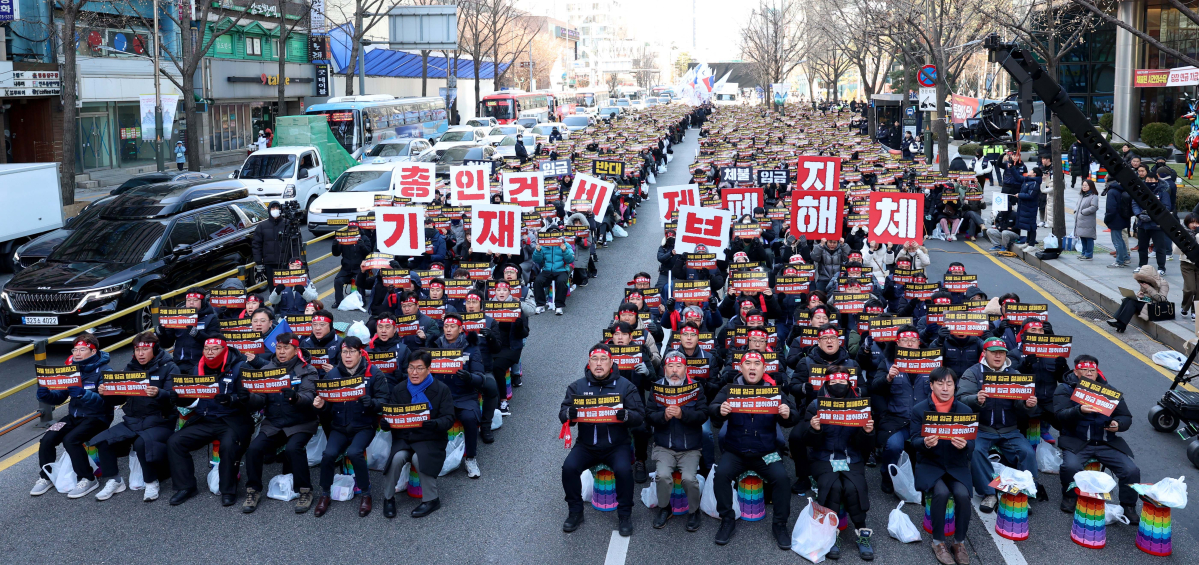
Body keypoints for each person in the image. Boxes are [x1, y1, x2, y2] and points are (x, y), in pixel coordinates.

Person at [708, 350, 800, 548]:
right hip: (736, 451)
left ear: (764, 368)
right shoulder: (730, 389)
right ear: (740, 368)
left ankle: (780, 525)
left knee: (782, 479)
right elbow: (712, 408)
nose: (752, 367)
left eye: (757, 364)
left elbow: (794, 416)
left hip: (766, 452)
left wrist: (787, 413)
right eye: (747, 363)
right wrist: (719, 410)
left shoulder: (773, 390)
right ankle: (727, 519)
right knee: (721, 475)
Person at [559, 344, 647, 537]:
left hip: (616, 445)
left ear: (611, 362)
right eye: (595, 359)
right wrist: (569, 414)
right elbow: (563, 414)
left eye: (603, 359)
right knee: (568, 468)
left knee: (624, 471)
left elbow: (640, 416)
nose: (599, 364)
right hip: (587, 445)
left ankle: (624, 514)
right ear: (589, 363)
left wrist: (626, 415)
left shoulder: (626, 386)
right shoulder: (577, 386)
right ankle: (575, 512)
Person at [794, 367, 876, 560]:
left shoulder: (861, 406)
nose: (838, 386)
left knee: (853, 487)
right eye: (833, 382)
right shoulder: (816, 405)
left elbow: (866, 446)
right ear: (826, 384)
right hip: (823, 458)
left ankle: (862, 532)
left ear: (849, 383)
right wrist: (814, 430)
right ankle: (830, 534)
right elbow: (806, 441)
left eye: (842, 382)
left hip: (851, 457)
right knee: (834, 486)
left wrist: (867, 432)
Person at [90, 332, 177, 502]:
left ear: (155, 349)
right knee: (103, 441)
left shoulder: (169, 367)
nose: (140, 354)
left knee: (141, 443)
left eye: (145, 349)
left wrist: (159, 393)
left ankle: (151, 482)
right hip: (134, 420)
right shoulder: (130, 368)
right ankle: (115, 480)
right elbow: (120, 399)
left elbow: (175, 397)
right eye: (137, 350)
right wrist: (106, 393)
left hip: (160, 421)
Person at [166, 335, 251, 507]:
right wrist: (179, 399)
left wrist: (232, 399)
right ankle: (186, 487)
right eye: (206, 349)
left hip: (231, 419)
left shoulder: (240, 366)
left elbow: (250, 398)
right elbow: (191, 398)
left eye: (215, 349)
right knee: (175, 442)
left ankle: (228, 490)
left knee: (228, 446)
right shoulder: (197, 368)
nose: (210, 352)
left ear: (224, 350)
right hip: (205, 418)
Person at [957, 338, 1040, 513]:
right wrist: (975, 399)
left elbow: (1021, 405)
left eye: (1001, 353)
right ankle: (988, 493)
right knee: (976, 450)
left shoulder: (1015, 374)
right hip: (982, 428)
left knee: (1027, 452)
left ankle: (1022, 491)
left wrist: (1028, 405)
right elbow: (960, 399)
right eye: (993, 352)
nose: (997, 356)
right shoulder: (973, 372)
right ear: (984, 353)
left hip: (1009, 429)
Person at [241, 332, 320, 514]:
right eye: (278, 348)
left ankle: (305, 491)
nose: (282, 352)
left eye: (286, 348)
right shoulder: (266, 369)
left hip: (301, 422)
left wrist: (296, 397)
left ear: (296, 350)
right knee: (253, 449)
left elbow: (309, 397)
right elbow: (260, 400)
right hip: (274, 422)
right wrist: (248, 398)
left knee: (293, 449)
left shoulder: (307, 369)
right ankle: (253, 490)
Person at [1055, 355, 1142, 521]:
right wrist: (1079, 411)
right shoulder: (1065, 389)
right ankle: (1069, 496)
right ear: (1076, 372)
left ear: (1097, 372)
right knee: (1070, 466)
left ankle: (1128, 506)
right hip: (1077, 442)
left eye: (1092, 370)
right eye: (1084, 370)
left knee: (1131, 470)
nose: (1089, 373)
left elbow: (1126, 416)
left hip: (1106, 442)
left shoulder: (1109, 391)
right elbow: (1059, 416)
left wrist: (1118, 424)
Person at [313, 336, 391, 517]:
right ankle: (325, 493)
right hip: (339, 426)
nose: (347, 356)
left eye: (352, 352)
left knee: (355, 452)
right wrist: (321, 406)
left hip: (364, 425)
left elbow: (384, 401)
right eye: (344, 352)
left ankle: (366, 493)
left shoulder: (374, 373)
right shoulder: (332, 375)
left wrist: (372, 403)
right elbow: (327, 408)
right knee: (328, 455)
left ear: (360, 353)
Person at [31, 333, 113, 498]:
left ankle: (88, 478)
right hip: (74, 416)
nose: (77, 353)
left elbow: (106, 402)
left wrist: (84, 394)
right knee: (48, 438)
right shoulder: (72, 370)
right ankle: (46, 476)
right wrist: (46, 395)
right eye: (75, 350)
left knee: (71, 440)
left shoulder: (105, 371)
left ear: (93, 351)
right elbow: (60, 396)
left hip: (97, 417)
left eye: (82, 349)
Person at [381, 350, 456, 518]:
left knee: (419, 458)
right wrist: (386, 423)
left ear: (429, 369)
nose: (414, 372)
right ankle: (388, 498)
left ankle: (431, 499)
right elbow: (391, 415)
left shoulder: (441, 389)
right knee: (397, 458)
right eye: (411, 367)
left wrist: (435, 423)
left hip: (431, 438)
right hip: (405, 437)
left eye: (419, 368)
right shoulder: (399, 389)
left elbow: (449, 418)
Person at [909, 367, 973, 565]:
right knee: (941, 492)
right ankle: (938, 542)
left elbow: (972, 443)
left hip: (956, 464)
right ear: (931, 385)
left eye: (949, 384)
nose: (945, 388)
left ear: (955, 386)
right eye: (940, 383)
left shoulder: (965, 411)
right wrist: (925, 443)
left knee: (963, 494)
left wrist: (965, 445)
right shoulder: (919, 410)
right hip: (930, 464)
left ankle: (959, 542)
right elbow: (914, 440)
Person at [645, 351, 708, 532]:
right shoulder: (656, 388)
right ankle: (665, 508)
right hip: (664, 446)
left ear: (685, 369)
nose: (674, 370)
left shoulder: (696, 388)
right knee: (663, 476)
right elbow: (648, 416)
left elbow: (703, 414)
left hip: (690, 447)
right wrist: (663, 416)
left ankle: (694, 511)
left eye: (678, 366)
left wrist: (683, 415)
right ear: (664, 369)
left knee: (689, 479)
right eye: (670, 366)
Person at [429, 313, 491, 476]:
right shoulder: (434, 346)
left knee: (469, 419)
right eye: (446, 326)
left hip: (464, 396)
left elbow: (481, 378)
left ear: (461, 329)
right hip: (440, 397)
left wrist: (470, 377)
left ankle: (470, 458)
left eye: (452, 326)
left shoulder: (472, 348)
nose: (448, 330)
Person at [157, 287, 219, 374]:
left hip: (200, 363)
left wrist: (197, 334)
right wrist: (161, 333)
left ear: (203, 302)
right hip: (178, 363)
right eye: (188, 300)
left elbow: (215, 343)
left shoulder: (211, 318)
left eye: (195, 300)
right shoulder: (178, 317)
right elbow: (167, 344)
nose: (191, 303)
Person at [1134, 171, 1173, 274]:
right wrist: (1139, 215)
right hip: (1142, 224)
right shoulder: (1140, 191)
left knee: (1160, 248)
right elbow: (1135, 204)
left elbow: (1166, 207)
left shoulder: (1163, 192)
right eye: (1147, 180)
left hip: (1157, 225)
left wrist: (1152, 216)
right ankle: (1142, 265)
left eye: (1151, 180)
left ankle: (1161, 268)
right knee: (1142, 247)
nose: (1149, 182)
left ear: (1156, 180)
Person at [252, 201, 293, 286]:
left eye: (277, 208)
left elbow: (295, 243)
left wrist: (295, 259)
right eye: (273, 208)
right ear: (269, 210)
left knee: (287, 288)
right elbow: (256, 245)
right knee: (273, 288)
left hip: (285, 262)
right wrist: (259, 262)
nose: (275, 210)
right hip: (270, 264)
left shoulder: (287, 224)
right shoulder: (262, 226)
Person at [532, 235, 575, 315]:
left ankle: (559, 306)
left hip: (561, 270)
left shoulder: (566, 244)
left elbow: (570, 260)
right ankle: (540, 304)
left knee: (562, 281)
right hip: (547, 270)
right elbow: (536, 260)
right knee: (538, 281)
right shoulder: (544, 245)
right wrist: (538, 251)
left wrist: (565, 250)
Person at [1103, 176, 1132, 268]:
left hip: (1115, 219)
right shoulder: (1121, 189)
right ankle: (1125, 257)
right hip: (1123, 218)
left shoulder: (1112, 192)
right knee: (1120, 239)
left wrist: (1107, 219)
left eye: (1105, 178)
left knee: (1117, 240)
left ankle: (1119, 261)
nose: (1104, 179)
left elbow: (1110, 208)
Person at [1177, 214, 1199, 320]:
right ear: (1187, 223)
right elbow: (1176, 250)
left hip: (1198, 263)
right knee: (1190, 288)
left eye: (1197, 222)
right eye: (1192, 222)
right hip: (1186, 263)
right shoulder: (1181, 232)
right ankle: (1185, 307)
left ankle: (1196, 311)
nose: (1194, 225)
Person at [1074, 179, 1099, 260]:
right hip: (1080, 221)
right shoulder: (1082, 195)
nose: (1084, 187)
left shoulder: (1093, 196)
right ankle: (1084, 253)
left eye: (1086, 185)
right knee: (1082, 237)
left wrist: (1083, 212)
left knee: (1088, 238)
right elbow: (1077, 205)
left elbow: (1094, 207)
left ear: (1090, 186)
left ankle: (1089, 254)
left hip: (1088, 221)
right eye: (1083, 185)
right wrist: (1076, 211)